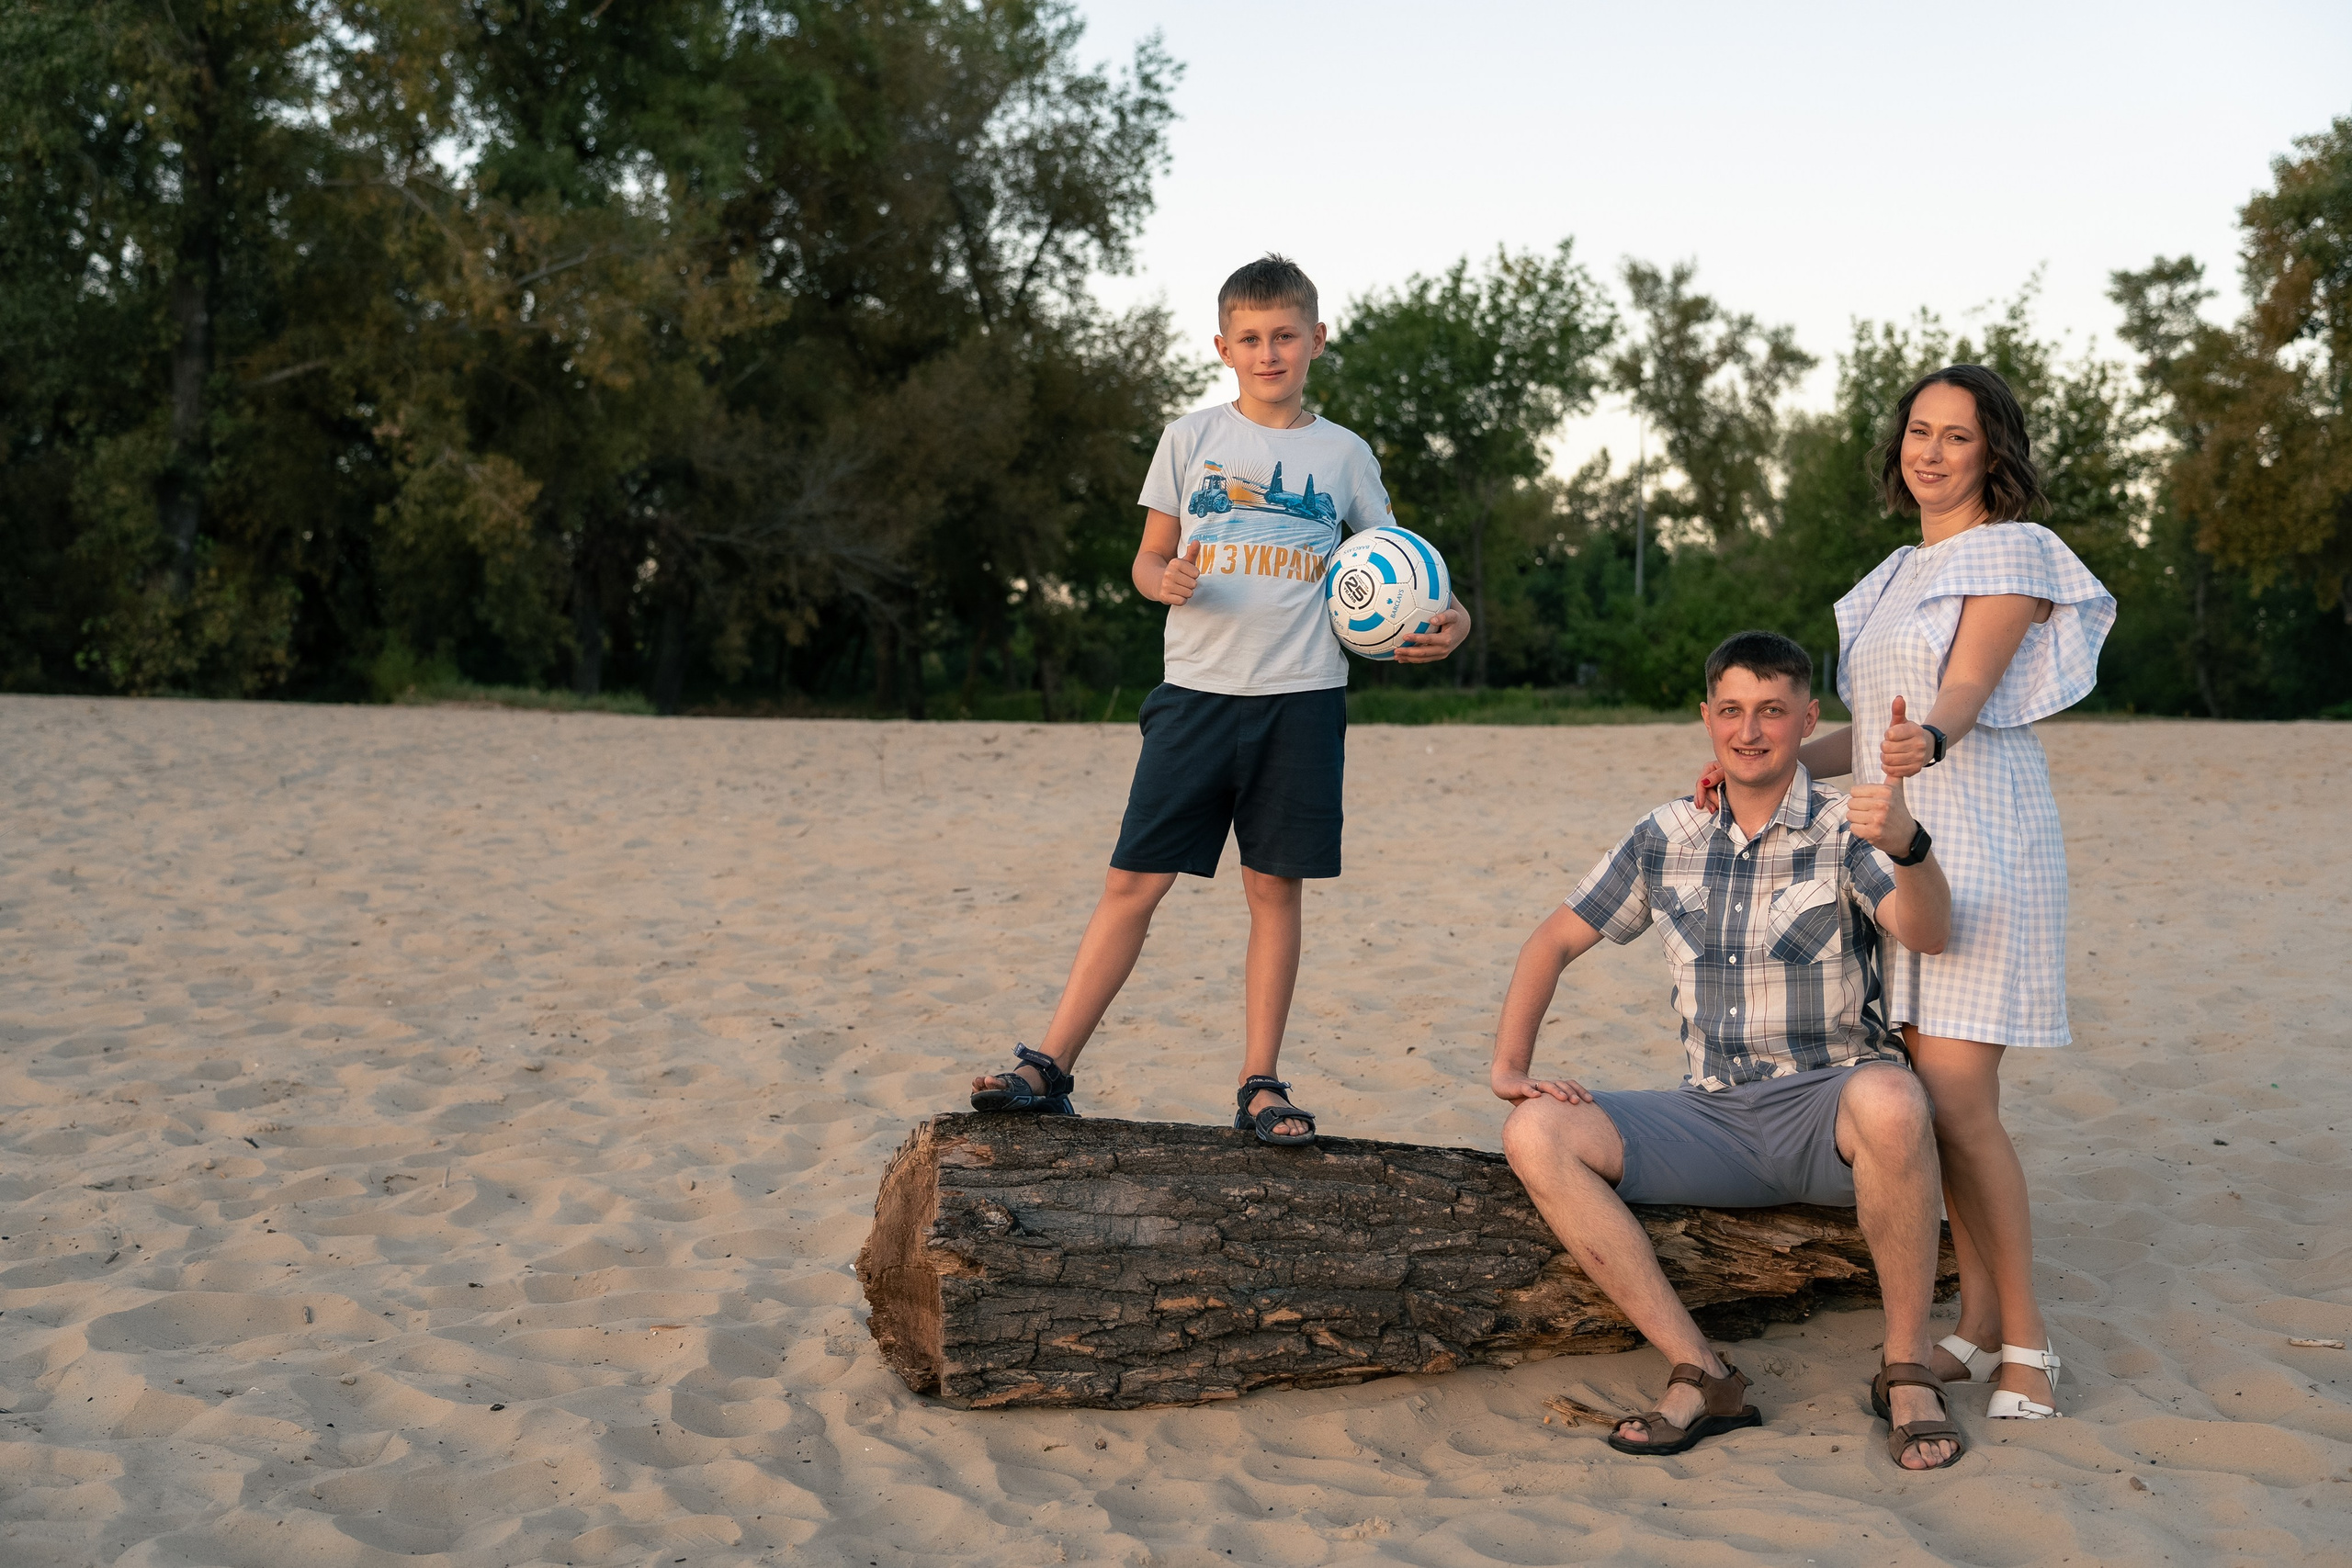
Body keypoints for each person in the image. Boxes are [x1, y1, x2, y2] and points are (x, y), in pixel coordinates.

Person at [968, 254, 1470, 1143]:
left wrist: (1454, 623)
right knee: (1133, 882)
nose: (1269, 352)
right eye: (1251, 338)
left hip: (1302, 699)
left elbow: (1405, 571)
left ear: (1316, 340)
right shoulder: (1189, 438)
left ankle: (1260, 1084)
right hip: (1194, 696)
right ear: (1223, 347)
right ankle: (1047, 1065)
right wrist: (1162, 580)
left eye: (1285, 336)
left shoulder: (1344, 455)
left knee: (1274, 891)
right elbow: (1147, 556)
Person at [1696, 366, 2114, 1419]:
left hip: (1979, 841)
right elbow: (1863, 733)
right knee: (1928, 1104)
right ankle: (1972, 1325)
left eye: (1956, 437)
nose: (1930, 452)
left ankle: (2028, 1345)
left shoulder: (2012, 553)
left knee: (1965, 1109)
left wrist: (1928, 734)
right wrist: (1772, 763)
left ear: (1993, 454)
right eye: (1918, 433)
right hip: (1894, 851)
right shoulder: (1889, 574)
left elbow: (1959, 690)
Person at [1496, 631, 1967, 1471]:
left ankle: (1905, 1368)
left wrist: (1909, 843)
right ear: (1707, 718)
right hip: (1710, 1114)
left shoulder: (1844, 826)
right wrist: (1510, 1067)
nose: (1751, 731)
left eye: (1773, 712)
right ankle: (1703, 1371)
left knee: (1896, 1096)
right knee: (1536, 1134)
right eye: (1734, 711)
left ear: (1808, 719)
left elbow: (1930, 933)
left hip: (1831, 1112)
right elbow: (1551, 942)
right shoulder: (1665, 834)